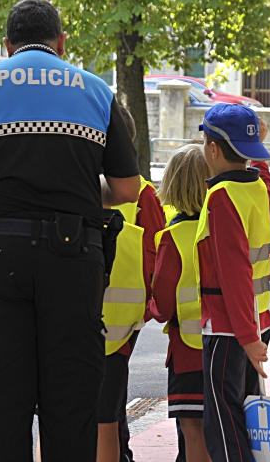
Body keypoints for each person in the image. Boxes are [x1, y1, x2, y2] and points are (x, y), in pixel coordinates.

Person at [0, 0, 141, 462]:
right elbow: (127, 188)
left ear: (7, 47)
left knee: (2, 406)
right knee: (72, 406)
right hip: (74, 259)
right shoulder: (95, 90)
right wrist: (80, 193)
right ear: (62, 43)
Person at [193, 103, 270, 462]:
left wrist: (246, 337)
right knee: (238, 418)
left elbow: (234, 273)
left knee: (223, 425)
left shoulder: (221, 198)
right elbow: (266, 183)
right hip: (255, 320)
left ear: (212, 149)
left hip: (230, 330)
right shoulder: (256, 188)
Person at [99, 110, 166, 462]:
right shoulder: (143, 193)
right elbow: (156, 253)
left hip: (75, 311)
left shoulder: (74, 181)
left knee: (92, 406)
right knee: (109, 402)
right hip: (123, 320)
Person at [149, 144, 213, 462]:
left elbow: (161, 306)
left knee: (192, 428)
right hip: (228, 346)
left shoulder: (172, 237)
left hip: (188, 351)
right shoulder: (223, 227)